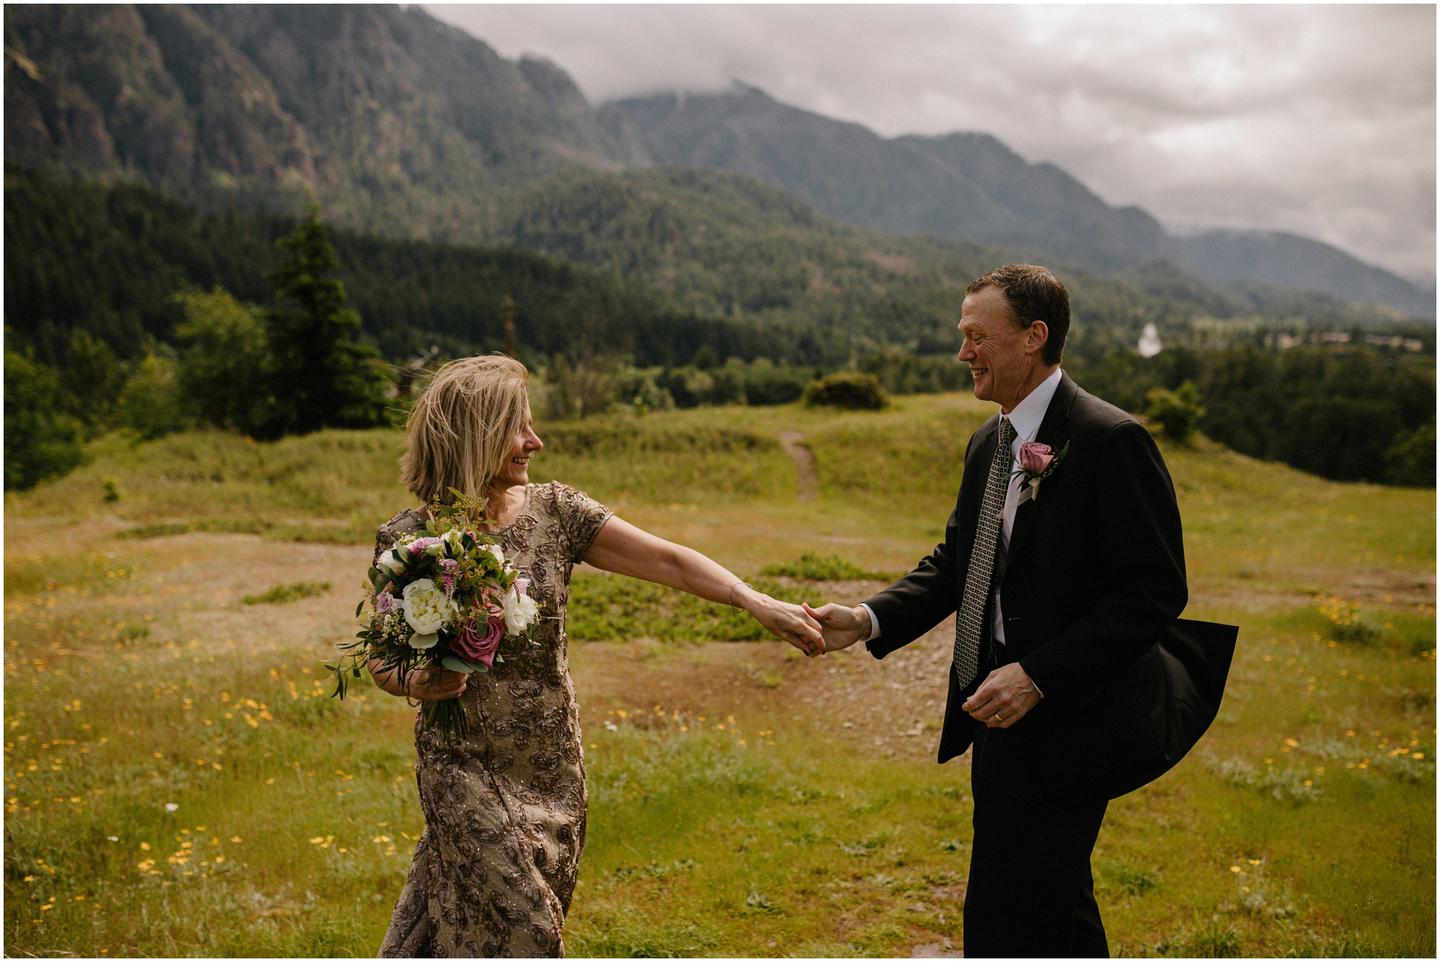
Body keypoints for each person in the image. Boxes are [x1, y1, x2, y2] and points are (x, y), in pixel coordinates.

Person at [371, 355, 823, 957]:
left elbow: (668, 560)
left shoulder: (557, 513)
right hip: (461, 767)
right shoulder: (408, 542)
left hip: (551, 764)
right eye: (518, 428)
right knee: (528, 929)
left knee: (461, 916)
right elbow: (383, 661)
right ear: (474, 435)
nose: (535, 441)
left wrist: (753, 600)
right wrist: (415, 684)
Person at [804, 264, 1188, 957]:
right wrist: (866, 619)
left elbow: (1153, 592)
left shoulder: (1110, 439)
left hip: (1074, 710)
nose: (963, 353)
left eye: (977, 336)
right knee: (1049, 904)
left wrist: (1038, 675)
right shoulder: (990, 441)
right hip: (997, 707)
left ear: (1034, 337)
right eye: (963, 336)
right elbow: (959, 562)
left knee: (1014, 907)